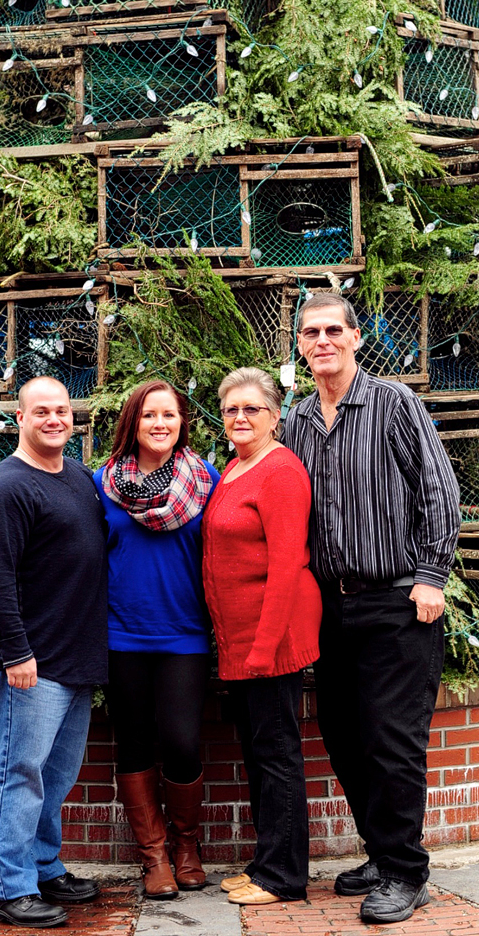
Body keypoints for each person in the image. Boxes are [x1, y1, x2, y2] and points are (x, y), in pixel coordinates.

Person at [283, 293, 461, 926]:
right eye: (312, 332)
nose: (323, 340)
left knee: (393, 739)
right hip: (329, 610)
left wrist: (431, 576)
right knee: (343, 735)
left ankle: (407, 872)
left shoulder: (394, 404)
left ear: (356, 337)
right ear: (300, 345)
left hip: (396, 601)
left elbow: (439, 489)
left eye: (335, 329)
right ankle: (383, 853)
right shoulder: (299, 421)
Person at [0, 376, 108, 929]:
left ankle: (43, 865)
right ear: (20, 419)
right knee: (17, 775)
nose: (55, 420)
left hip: (75, 659)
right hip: (31, 663)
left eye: (63, 411)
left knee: (55, 777)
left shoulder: (76, 475)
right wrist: (15, 654)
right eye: (42, 412)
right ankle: (8, 889)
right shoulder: (7, 487)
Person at [92, 380, 220, 900]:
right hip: (123, 633)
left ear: (182, 422)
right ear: (133, 423)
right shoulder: (103, 482)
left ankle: (187, 846)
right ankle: (154, 857)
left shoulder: (205, 479)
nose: (160, 424)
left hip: (185, 633)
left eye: (169, 414)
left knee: (182, 741)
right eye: (149, 416)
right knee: (135, 742)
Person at [202, 367, 322, 909]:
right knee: (259, 753)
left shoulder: (280, 471)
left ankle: (284, 877)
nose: (241, 417)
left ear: (276, 416)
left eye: (252, 408)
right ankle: (265, 862)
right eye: (231, 409)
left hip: (269, 641)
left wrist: (263, 648)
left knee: (276, 755)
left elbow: (286, 565)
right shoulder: (234, 467)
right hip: (240, 641)